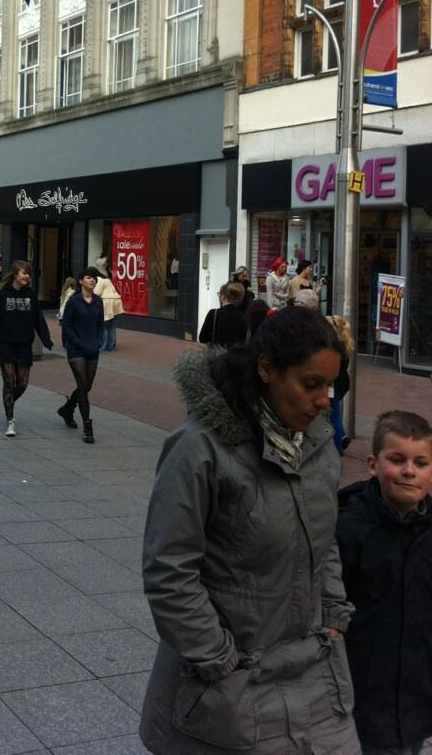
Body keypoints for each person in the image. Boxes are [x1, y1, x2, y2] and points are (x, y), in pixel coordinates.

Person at [140, 306, 359, 755]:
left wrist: (334, 613)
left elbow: (325, 535)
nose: (325, 401)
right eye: (311, 384)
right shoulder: (200, 447)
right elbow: (168, 569)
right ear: (266, 369)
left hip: (316, 675)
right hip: (230, 686)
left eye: (331, 386)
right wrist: (218, 658)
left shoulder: (318, 444)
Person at [336, 411, 432, 755]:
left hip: (416, 697)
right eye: (398, 459)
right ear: (373, 465)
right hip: (362, 693)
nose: (410, 470)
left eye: (421, 462)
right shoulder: (349, 529)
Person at [0, 259, 53, 438]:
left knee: (22, 383)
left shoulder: (30, 295)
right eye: (24, 273)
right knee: (9, 381)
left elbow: (38, 319)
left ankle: (8, 402)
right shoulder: (2, 295)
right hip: (5, 344)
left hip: (24, 345)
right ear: (15, 274)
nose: (27, 276)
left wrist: (46, 340)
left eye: (29, 273)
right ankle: (10, 420)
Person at [59, 268, 104, 443]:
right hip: (76, 348)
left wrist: (98, 341)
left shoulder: (98, 301)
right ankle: (87, 425)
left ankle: (68, 408)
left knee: (87, 386)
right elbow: (67, 325)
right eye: (89, 278)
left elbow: (101, 324)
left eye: (94, 278)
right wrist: (75, 341)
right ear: (80, 281)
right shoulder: (74, 301)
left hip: (92, 348)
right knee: (82, 383)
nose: (93, 280)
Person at [327, 314, 353, 453]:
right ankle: (338, 437)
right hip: (342, 382)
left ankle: (340, 439)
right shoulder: (345, 343)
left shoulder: (334, 346)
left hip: (334, 383)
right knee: (333, 410)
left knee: (333, 412)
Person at [198, 281, 247, 348]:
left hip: (216, 356)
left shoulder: (213, 314)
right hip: (236, 356)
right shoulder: (244, 317)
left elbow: (202, 338)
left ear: (223, 297)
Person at [94, 273, 124, 352]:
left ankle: (103, 346)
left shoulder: (99, 280)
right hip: (116, 301)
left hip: (107, 302)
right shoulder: (108, 280)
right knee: (112, 326)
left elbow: (97, 293)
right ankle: (111, 345)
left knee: (104, 326)